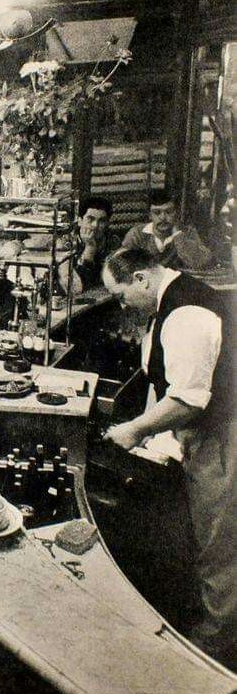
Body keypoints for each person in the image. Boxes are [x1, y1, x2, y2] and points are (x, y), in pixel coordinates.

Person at [101, 248, 235, 669]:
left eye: (121, 295)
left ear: (141, 278)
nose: (121, 305)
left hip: (223, 435)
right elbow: (162, 382)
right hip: (205, 433)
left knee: (220, 541)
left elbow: (189, 400)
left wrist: (136, 430)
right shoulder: (167, 305)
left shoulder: (186, 314)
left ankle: (214, 648)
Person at [121, 188, 212, 270]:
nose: (163, 217)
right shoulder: (137, 234)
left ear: (177, 213)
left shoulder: (187, 232)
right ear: (149, 215)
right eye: (157, 213)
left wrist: (177, 235)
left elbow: (200, 263)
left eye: (168, 212)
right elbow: (121, 263)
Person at [66, 196, 114, 292]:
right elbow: (78, 285)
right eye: (90, 219)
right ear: (79, 221)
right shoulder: (67, 242)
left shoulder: (112, 241)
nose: (95, 225)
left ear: (107, 223)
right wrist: (90, 247)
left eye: (102, 221)